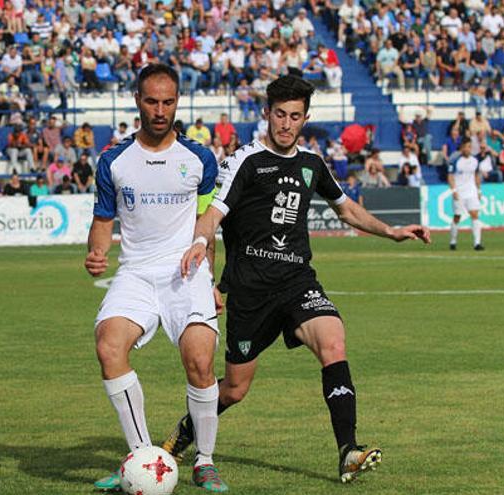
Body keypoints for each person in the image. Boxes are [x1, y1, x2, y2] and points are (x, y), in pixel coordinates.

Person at [161, 75, 430, 484]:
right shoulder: (245, 161)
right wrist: (201, 245)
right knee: (234, 389)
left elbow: (346, 209)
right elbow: (213, 214)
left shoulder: (311, 164)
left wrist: (392, 232)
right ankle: (185, 432)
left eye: (296, 116)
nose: (287, 124)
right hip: (250, 291)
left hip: (297, 281)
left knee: (333, 341)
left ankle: (348, 451)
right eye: (280, 115)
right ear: (267, 114)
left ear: (306, 118)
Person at [85, 64, 227, 493]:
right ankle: (142, 456)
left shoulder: (199, 158)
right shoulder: (113, 161)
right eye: (152, 101)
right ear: (137, 101)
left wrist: (214, 281)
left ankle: (204, 459)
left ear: (177, 102)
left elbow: (209, 224)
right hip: (137, 272)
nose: (160, 110)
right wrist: (96, 251)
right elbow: (102, 221)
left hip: (187, 273)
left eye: (168, 102)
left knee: (200, 361)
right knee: (109, 346)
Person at [447, 139, 484, 251]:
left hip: (471, 191)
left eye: (469, 146)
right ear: (461, 148)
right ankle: (453, 241)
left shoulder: (475, 160)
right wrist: (454, 191)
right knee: (457, 216)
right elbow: (450, 176)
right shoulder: (455, 161)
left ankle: (477, 243)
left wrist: (479, 191)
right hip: (459, 192)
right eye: (465, 147)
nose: (467, 149)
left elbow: (476, 176)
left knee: (475, 215)